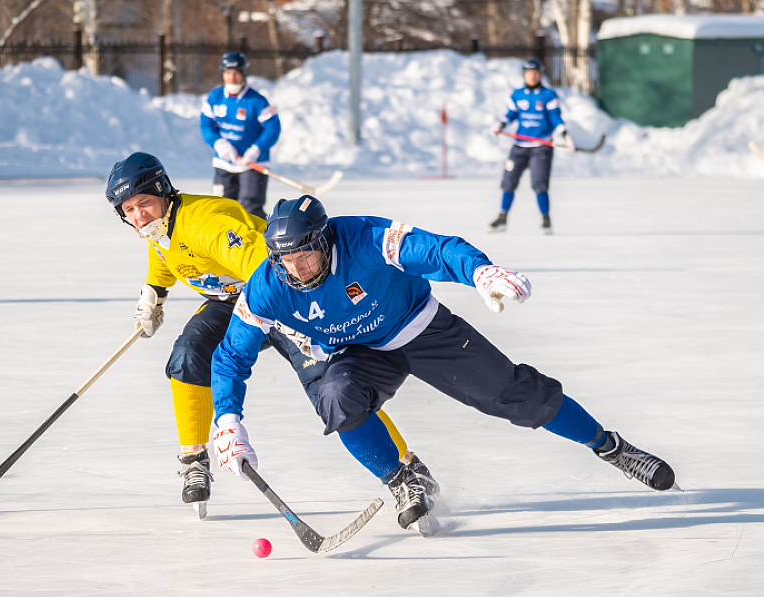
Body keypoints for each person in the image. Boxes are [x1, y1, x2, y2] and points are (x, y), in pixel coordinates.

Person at [210, 195, 677, 533]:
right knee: (335, 397)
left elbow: (435, 249)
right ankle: (403, 481)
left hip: (421, 329)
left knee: (516, 396)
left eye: (306, 255)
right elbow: (232, 355)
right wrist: (227, 419)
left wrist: (480, 271)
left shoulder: (365, 237)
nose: (298, 269)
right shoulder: (267, 286)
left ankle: (611, 447)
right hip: (357, 352)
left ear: (325, 239)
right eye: (286, 260)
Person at [105, 152, 435, 515]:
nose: (139, 215)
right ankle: (194, 461)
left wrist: (296, 322)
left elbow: (263, 270)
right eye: (129, 210)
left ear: (164, 193)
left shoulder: (208, 225)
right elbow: (165, 255)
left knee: (329, 389)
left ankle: (406, 471)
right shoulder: (159, 228)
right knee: (188, 354)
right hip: (230, 303)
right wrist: (153, 293)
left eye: (144, 203)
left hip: (282, 298)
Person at [489, 58, 571, 235]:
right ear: (524, 75)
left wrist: (565, 134)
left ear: (540, 74)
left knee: (539, 184)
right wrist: (500, 124)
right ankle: (502, 217)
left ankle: (546, 220)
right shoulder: (517, 95)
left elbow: (555, 117)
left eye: (535, 73)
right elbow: (511, 114)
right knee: (508, 182)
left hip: (541, 147)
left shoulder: (548, 95)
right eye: (528, 73)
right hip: (519, 146)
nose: (532, 76)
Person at [200, 51, 280, 219]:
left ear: (244, 73)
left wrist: (256, 149)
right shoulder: (214, 97)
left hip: (252, 165)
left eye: (236, 73)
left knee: (251, 211)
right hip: (224, 163)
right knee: (222, 210)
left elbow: (273, 128)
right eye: (228, 73)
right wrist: (218, 143)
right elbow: (206, 126)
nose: (232, 77)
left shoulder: (257, 101)